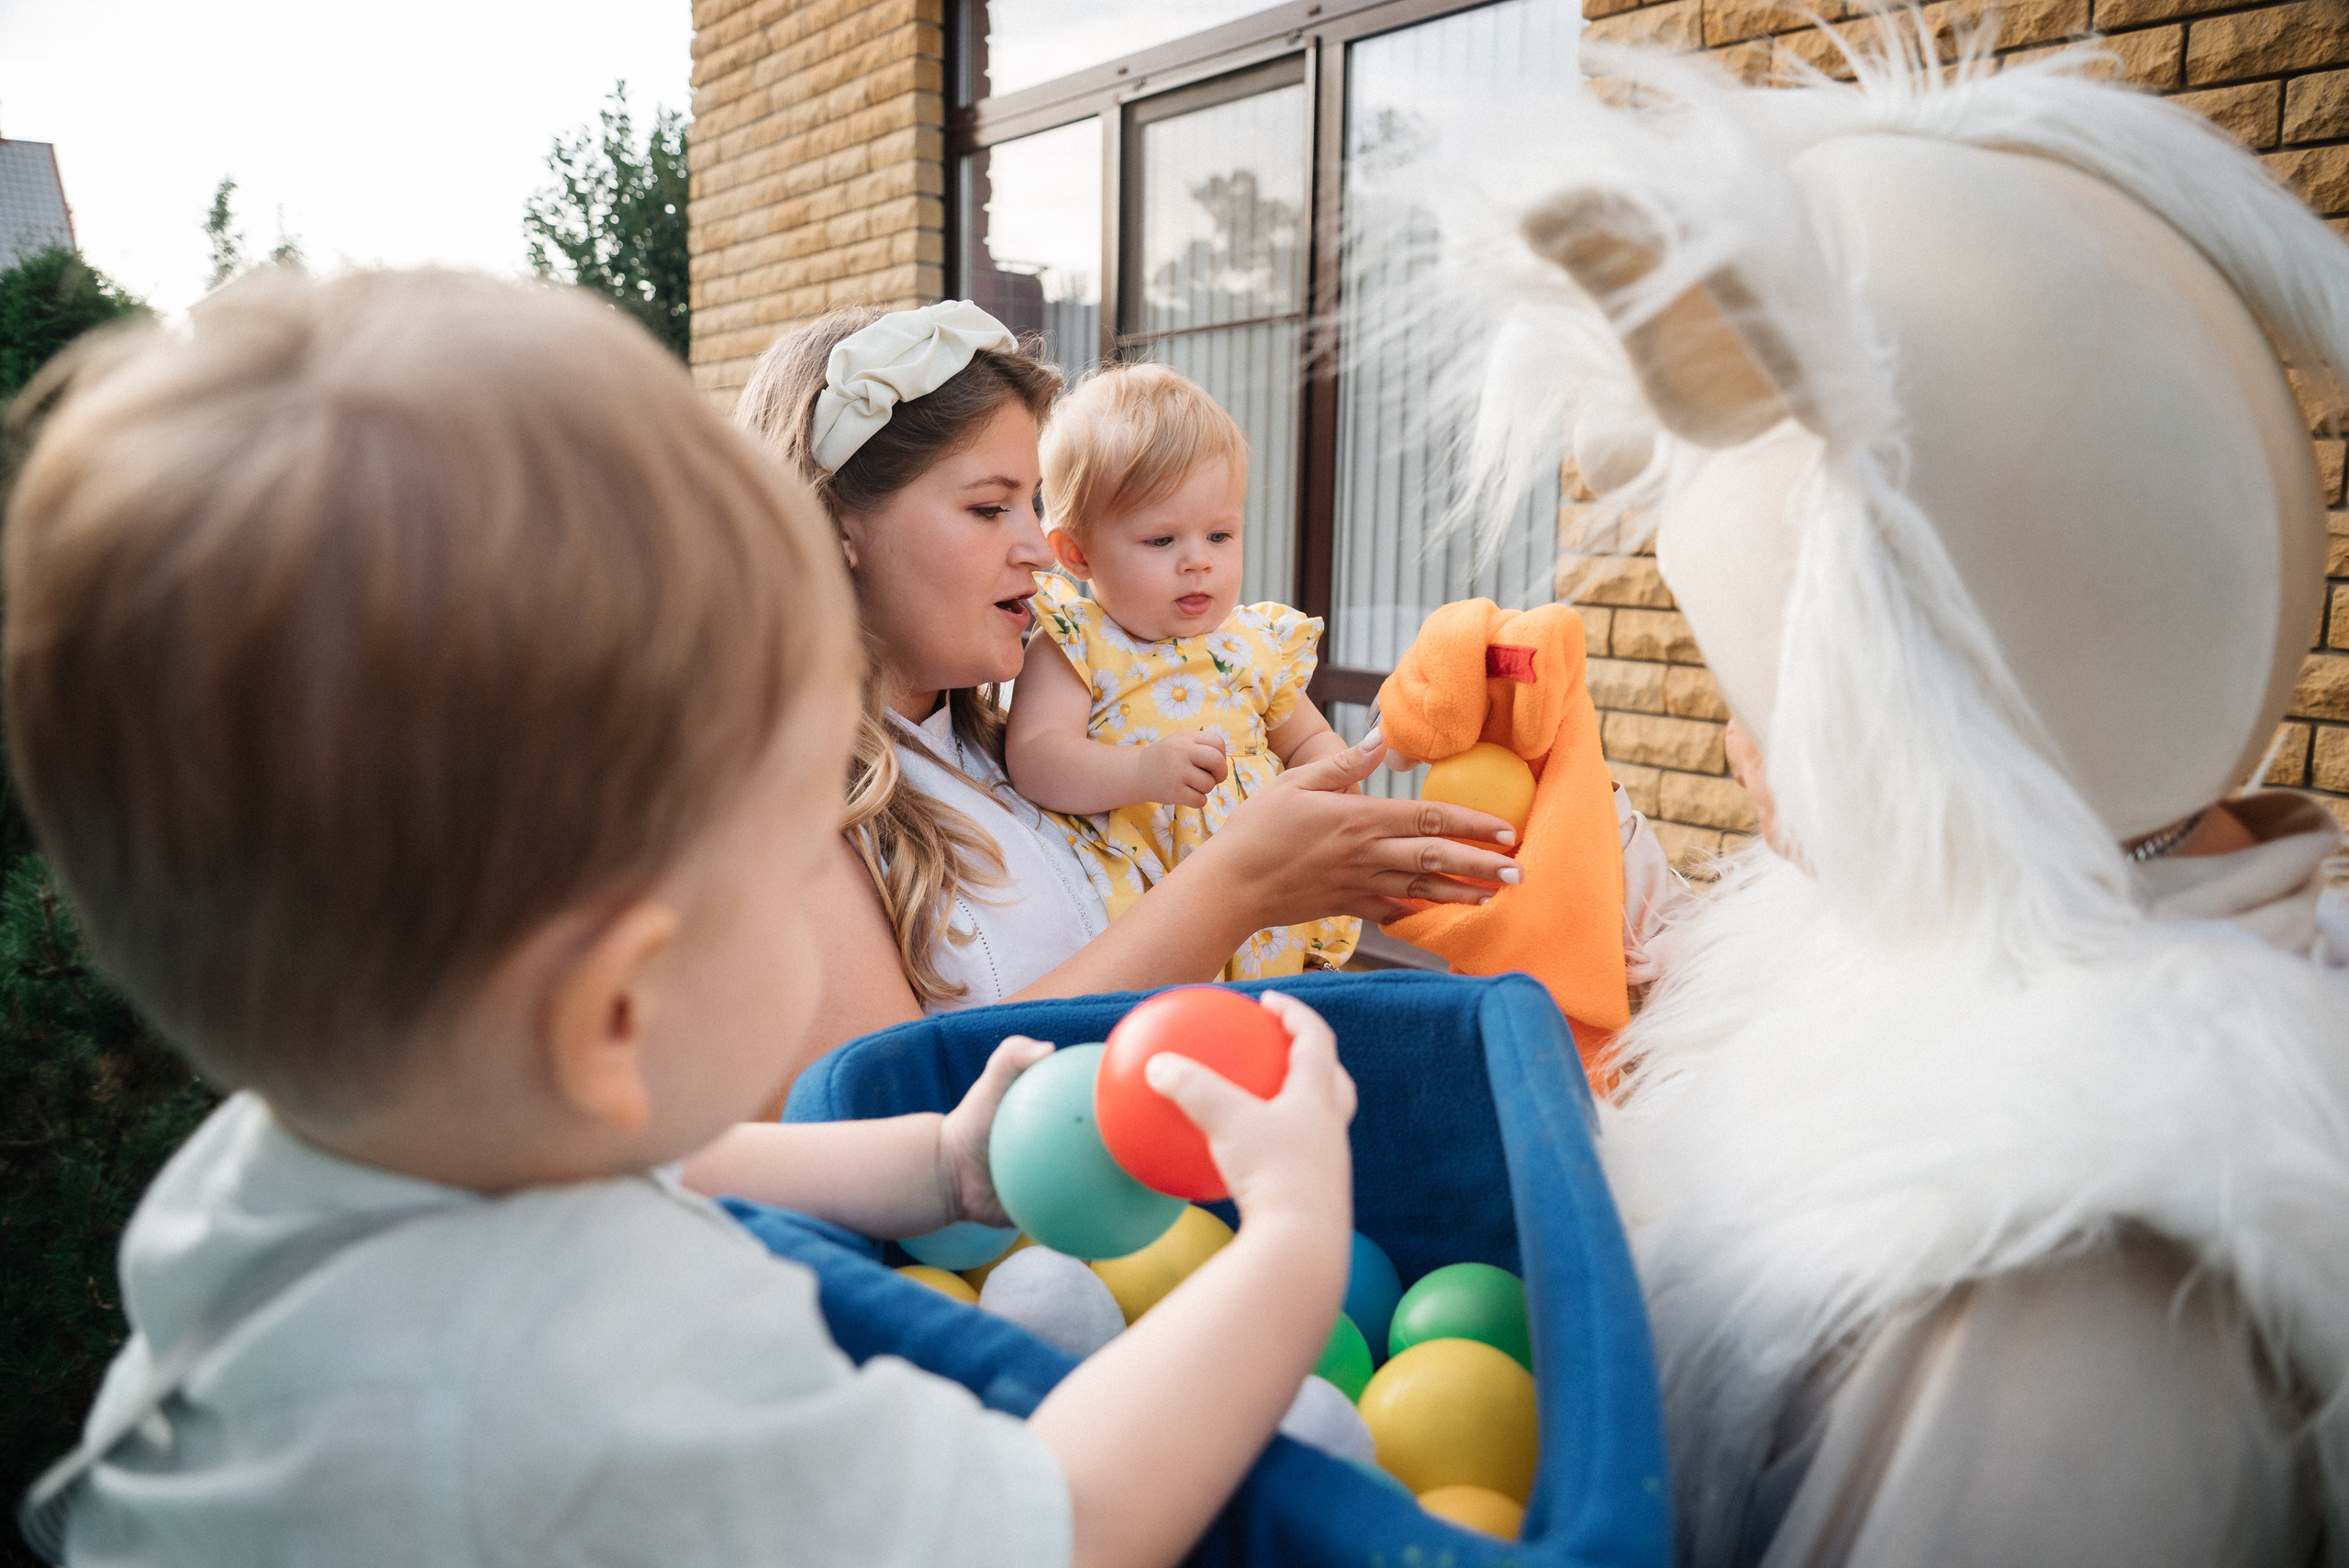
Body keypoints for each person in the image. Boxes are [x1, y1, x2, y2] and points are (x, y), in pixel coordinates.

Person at [7, 267, 1361, 1568]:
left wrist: (940, 1162)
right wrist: (1296, 1242)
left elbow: (675, 1164)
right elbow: (1068, 1524)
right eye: (775, 868)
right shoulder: (637, 1371)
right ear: (619, 1008)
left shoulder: (310, 1159)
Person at [1458, 20, 2349, 1564]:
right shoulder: (2042, 913)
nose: (1739, 751)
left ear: (1919, 702)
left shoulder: (2073, 1274)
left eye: (1755, 700)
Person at [727, 302, 1521, 1053]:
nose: (1041, 547)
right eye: (988, 508)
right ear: (834, 526)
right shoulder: (783, 816)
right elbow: (881, 1118)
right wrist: (1236, 885)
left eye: (1033, 505)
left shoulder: (1005, 752)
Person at [1004, 361, 1361, 980]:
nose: (1198, 562)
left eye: (1219, 535)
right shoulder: (1079, 642)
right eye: (1162, 541)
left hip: (1266, 909)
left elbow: (1305, 737)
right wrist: (1142, 770)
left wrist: (1337, 778)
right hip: (1147, 921)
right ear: (1077, 553)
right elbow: (1037, 758)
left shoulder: (1252, 643)